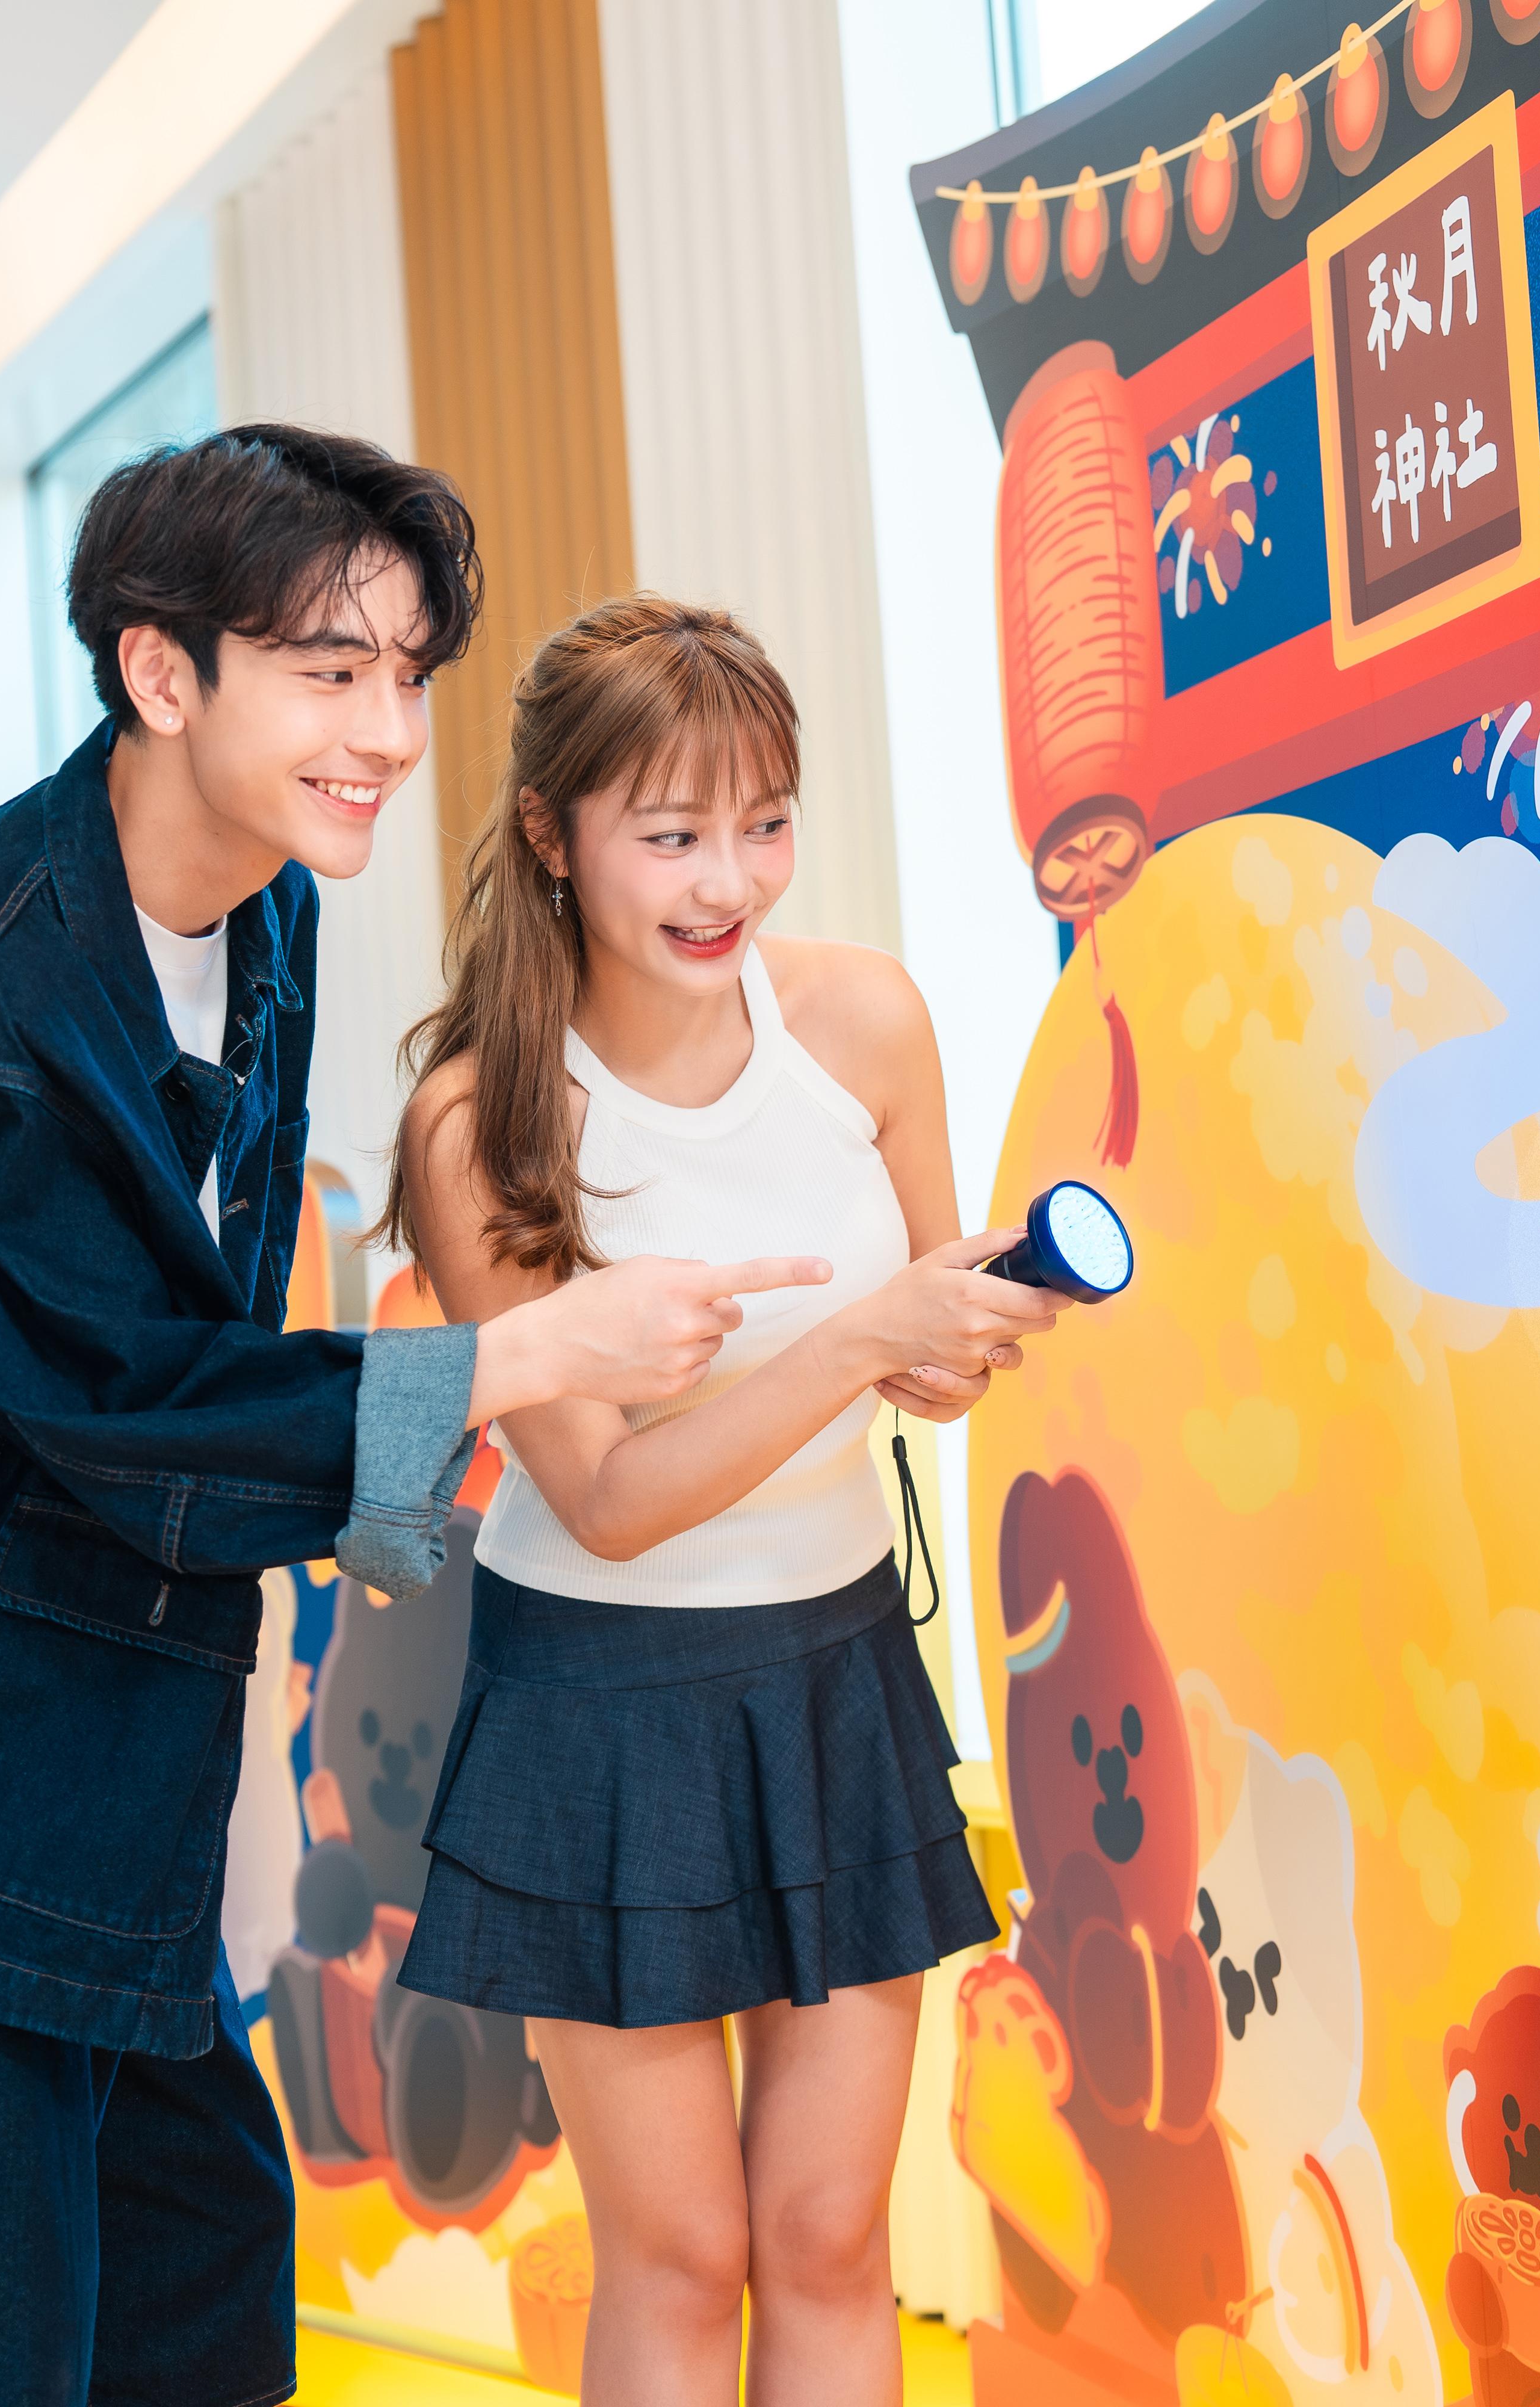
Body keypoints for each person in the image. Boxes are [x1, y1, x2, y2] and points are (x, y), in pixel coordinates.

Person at [0, 428, 821, 2407]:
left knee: (199, 2298)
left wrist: (395, 1503)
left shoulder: (267, 904)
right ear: (160, 671)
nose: (388, 734)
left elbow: (213, 1321)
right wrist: (529, 1358)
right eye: (329, 672)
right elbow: (119, 1403)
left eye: (409, 677)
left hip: (95, 1770)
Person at [384, 595, 1048, 2406]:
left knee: (830, 2238)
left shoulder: (867, 1022)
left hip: (837, 1669)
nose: (728, 882)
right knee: (681, 2259)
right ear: (552, 833)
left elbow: (931, 1314)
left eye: (765, 824)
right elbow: (603, 1497)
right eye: (672, 836)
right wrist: (864, 1346)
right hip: (600, 1705)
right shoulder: (481, 1124)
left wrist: (955, 1344)